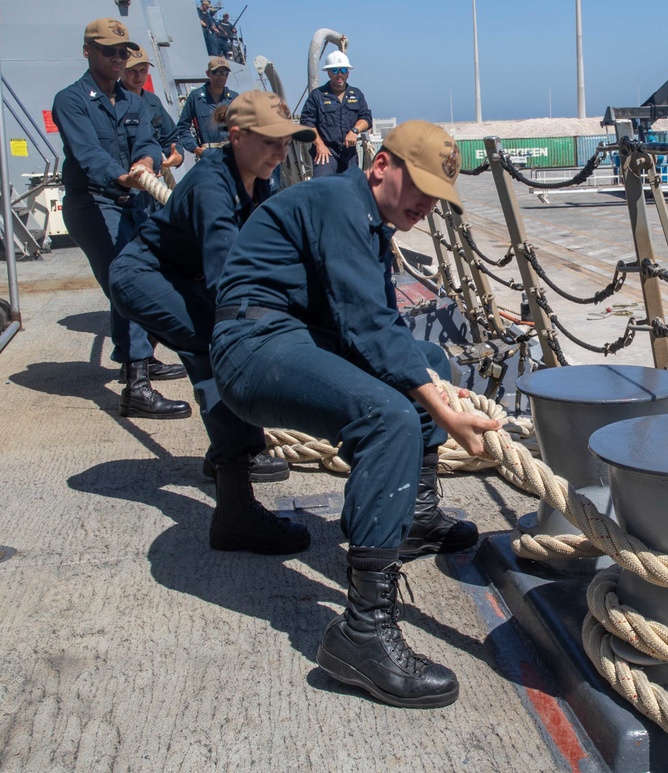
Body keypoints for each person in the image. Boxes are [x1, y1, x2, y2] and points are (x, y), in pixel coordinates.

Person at [210, 120, 501, 708]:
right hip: (253, 346)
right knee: (389, 416)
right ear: (380, 166)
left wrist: (428, 380)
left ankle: (414, 518)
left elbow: (377, 327)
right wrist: (443, 410)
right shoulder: (340, 202)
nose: (424, 205)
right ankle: (363, 633)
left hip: (296, 334)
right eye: (417, 187)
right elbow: (366, 326)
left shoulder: (367, 218)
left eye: (435, 198)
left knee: (425, 356)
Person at [109, 92, 316, 549]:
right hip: (143, 276)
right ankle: (235, 510)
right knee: (218, 347)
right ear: (237, 136)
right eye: (271, 142)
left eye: (287, 143)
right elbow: (229, 279)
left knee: (212, 346)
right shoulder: (211, 184)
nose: (281, 153)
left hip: (183, 276)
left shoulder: (258, 181)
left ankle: (224, 460)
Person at [52, 18, 190, 420]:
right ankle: (136, 388)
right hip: (93, 203)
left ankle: (141, 360)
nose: (118, 58)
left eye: (123, 51)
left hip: (134, 199)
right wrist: (121, 175)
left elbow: (147, 141)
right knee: (125, 280)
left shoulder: (134, 99)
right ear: (87, 51)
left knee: (154, 272)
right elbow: (86, 153)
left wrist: (145, 164)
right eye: (108, 50)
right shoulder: (72, 100)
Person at [299, 50, 372, 178]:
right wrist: (320, 145)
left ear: (348, 73)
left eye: (343, 70)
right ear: (328, 73)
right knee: (322, 187)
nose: (339, 75)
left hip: (349, 153)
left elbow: (366, 118)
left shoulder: (357, 94)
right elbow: (306, 122)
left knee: (352, 188)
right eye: (335, 71)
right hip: (326, 153)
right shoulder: (317, 96)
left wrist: (354, 131)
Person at [121, 47, 184, 173]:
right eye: (132, 71)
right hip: (125, 176)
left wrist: (177, 154)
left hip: (149, 178)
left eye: (143, 70)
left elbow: (170, 136)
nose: (138, 76)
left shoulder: (153, 101)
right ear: (121, 70)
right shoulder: (112, 101)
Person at [177, 57, 238, 160]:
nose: (221, 76)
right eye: (216, 72)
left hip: (232, 155)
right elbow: (182, 127)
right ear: (208, 73)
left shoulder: (234, 98)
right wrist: (195, 148)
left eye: (225, 73)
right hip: (208, 156)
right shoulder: (196, 97)